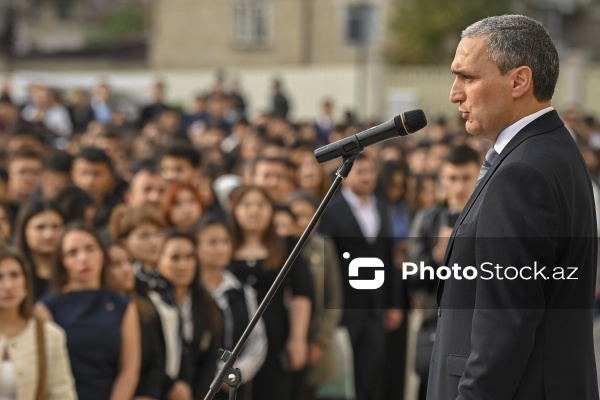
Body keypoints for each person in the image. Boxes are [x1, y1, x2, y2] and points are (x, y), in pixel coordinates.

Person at [428, 15, 598, 400]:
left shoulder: (522, 172)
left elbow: (505, 325)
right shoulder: (550, 149)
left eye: (468, 77)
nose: (455, 94)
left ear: (519, 81)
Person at [318, 154, 405, 400]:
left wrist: (393, 303)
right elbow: (328, 265)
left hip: (376, 309)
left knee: (371, 376)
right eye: (361, 173)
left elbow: (388, 258)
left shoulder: (380, 205)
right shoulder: (332, 211)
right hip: (344, 309)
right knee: (343, 380)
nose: (367, 178)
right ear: (344, 178)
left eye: (370, 172)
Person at [35, 223, 140, 400]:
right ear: (61, 262)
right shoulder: (46, 308)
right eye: (72, 253)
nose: (83, 258)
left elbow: (129, 369)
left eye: (90, 248)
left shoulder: (123, 305)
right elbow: (47, 373)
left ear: (102, 254)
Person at [228, 185, 313, 400]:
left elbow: (302, 293)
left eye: (261, 205)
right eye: (247, 205)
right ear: (234, 210)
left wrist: (298, 338)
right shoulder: (224, 246)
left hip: (276, 337)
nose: (254, 211)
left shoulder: (287, 246)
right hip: (232, 337)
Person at [195, 216, 268, 400]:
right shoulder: (190, 293)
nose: (221, 248)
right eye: (212, 242)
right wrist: (215, 373)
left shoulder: (242, 291)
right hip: (197, 386)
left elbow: (257, 340)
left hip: (236, 388)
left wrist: (237, 371)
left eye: (225, 242)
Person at [0, 245, 77, 400]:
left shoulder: (50, 335)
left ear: (26, 281)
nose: (8, 286)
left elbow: (62, 394)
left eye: (15, 275)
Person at [287, 190, 343, 399]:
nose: (303, 221)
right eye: (297, 215)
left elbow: (334, 298)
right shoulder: (278, 248)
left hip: (314, 339)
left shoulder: (323, 247)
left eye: (309, 215)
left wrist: (320, 340)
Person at [155, 231, 222, 399]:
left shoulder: (207, 303)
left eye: (190, 257)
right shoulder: (152, 303)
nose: (183, 265)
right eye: (175, 258)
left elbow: (210, 359)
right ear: (158, 261)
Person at [105, 240, 166, 400]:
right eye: (116, 264)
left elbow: (157, 357)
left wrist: (148, 394)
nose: (127, 270)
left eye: (129, 262)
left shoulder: (145, 307)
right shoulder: (97, 313)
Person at [13, 199, 66, 299]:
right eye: (40, 227)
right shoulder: (13, 272)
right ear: (24, 231)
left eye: (56, 227)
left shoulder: (71, 273)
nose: (49, 235)